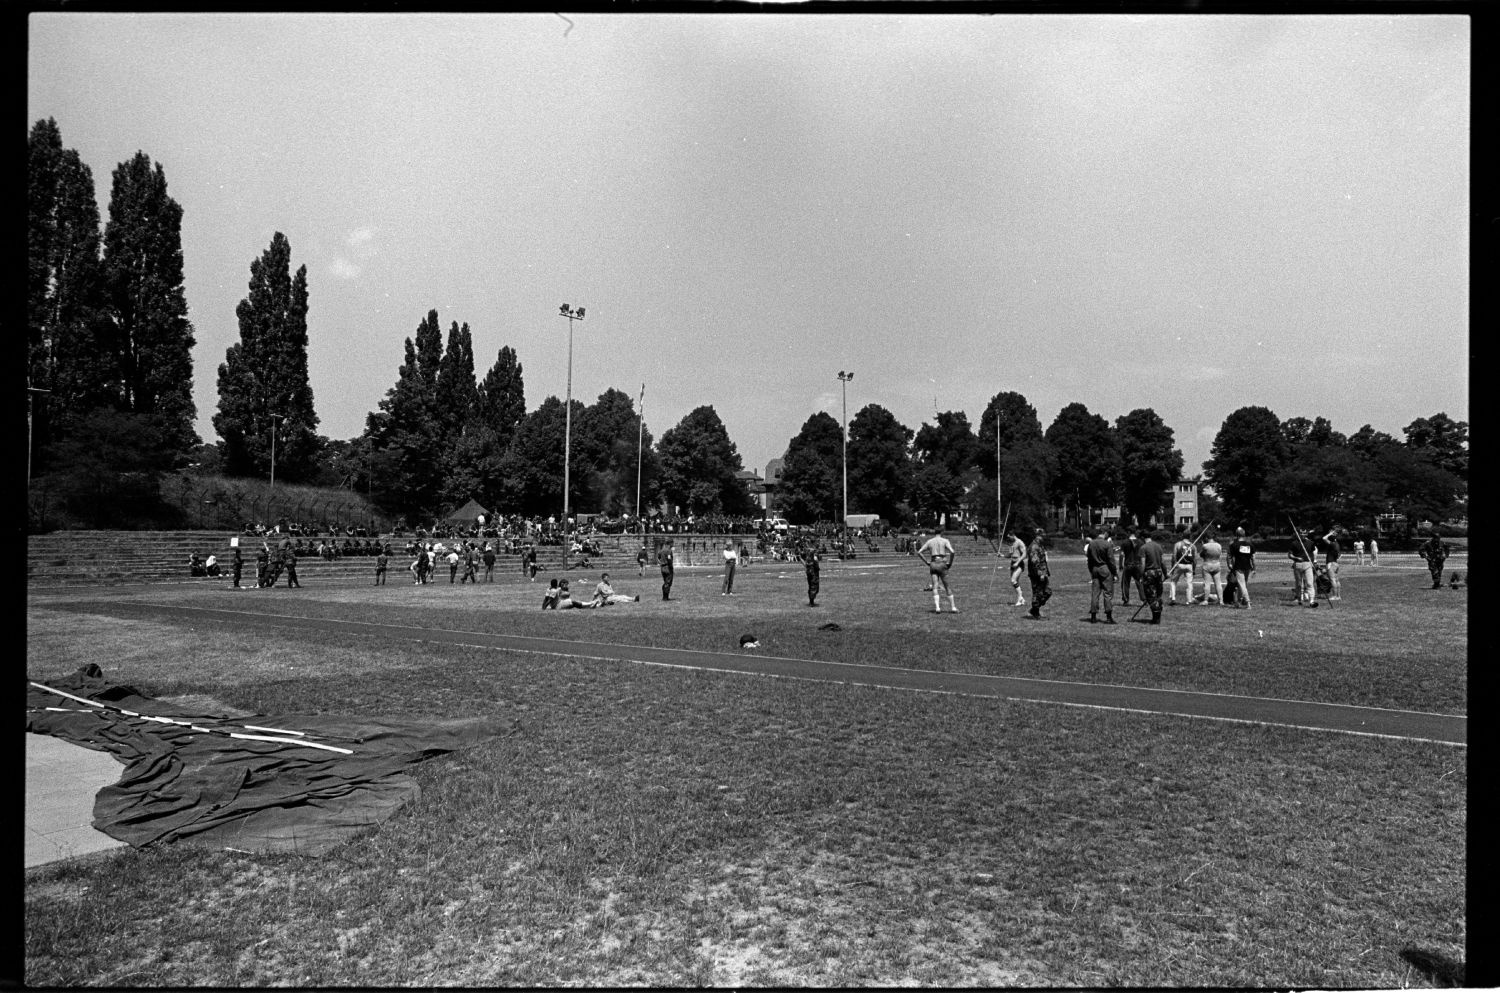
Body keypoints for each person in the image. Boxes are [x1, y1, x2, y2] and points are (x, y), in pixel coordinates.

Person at [917, 525, 957, 613]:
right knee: (947, 586)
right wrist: (950, 562)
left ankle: (937, 608)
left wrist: (926, 562)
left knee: (935, 586)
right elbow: (952, 551)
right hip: (942, 563)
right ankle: (953, 608)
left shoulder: (930, 541)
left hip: (933, 564)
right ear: (942, 532)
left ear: (934, 532)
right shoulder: (945, 541)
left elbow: (919, 552)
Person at [1084, 525, 1117, 623]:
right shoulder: (1107, 544)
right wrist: (1114, 573)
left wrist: (1091, 570)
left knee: (1095, 593)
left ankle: (1093, 616)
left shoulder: (1091, 543)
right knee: (1107, 593)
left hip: (1094, 568)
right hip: (1104, 568)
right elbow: (1111, 560)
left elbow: (1089, 559)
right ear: (1106, 533)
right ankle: (1108, 617)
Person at [1138, 530, 1166, 624]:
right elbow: (1162, 562)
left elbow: (1143, 564)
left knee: (1150, 596)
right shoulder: (1158, 546)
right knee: (1158, 595)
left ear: (1142, 538)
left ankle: (1156, 618)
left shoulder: (1143, 548)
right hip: (1158, 572)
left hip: (1149, 573)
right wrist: (1165, 574)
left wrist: (1141, 575)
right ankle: (1158, 616)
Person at [1025, 528, 1052, 620]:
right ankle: (1036, 612)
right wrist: (1041, 573)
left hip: (1043, 573)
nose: (1044, 536)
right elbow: (1034, 562)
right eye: (1043, 535)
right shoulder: (1034, 546)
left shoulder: (1040, 545)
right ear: (1038, 535)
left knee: (1048, 592)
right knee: (1038, 593)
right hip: (1036, 574)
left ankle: (1034, 609)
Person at [1228, 527, 1256, 609]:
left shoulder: (1234, 545)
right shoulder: (1250, 545)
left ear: (1236, 535)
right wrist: (1254, 569)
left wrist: (1230, 565)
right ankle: (1238, 601)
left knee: (1242, 585)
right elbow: (1253, 558)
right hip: (1248, 567)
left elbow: (1229, 556)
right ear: (1244, 534)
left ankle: (1248, 602)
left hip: (1238, 567)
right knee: (1243, 585)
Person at [1168, 530, 1196, 606]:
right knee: (1189, 583)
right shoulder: (1193, 546)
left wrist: (1172, 566)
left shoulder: (1178, 544)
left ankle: (1173, 598)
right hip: (1189, 565)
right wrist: (1194, 569)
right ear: (1190, 536)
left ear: (1182, 535)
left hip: (1179, 564)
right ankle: (1189, 600)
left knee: (1173, 582)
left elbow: (1174, 556)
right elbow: (1195, 559)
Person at [1289, 530, 1316, 606]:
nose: (1302, 535)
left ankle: (1312, 601)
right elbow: (1289, 555)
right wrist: (1297, 558)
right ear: (1298, 534)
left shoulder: (1310, 543)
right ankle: (1299, 599)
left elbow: (1313, 554)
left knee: (1310, 583)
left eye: (1304, 533)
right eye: (1301, 533)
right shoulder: (1294, 543)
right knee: (1299, 584)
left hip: (1308, 564)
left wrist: (1313, 563)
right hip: (1298, 564)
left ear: (1307, 534)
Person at [1199, 530, 1225, 605]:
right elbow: (1220, 554)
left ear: (1207, 538)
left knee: (1207, 583)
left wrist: (1203, 545)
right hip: (1216, 564)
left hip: (1207, 564)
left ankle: (1206, 600)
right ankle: (1221, 601)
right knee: (1218, 583)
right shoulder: (1219, 545)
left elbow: (1201, 555)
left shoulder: (1205, 546)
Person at [1119, 530, 1144, 606]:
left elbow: (1122, 554)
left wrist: (1120, 564)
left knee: (1125, 583)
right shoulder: (1140, 542)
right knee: (1140, 582)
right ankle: (1144, 599)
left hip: (1128, 564)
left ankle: (1126, 600)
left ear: (1128, 532)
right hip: (1138, 564)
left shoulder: (1124, 542)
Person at [1005, 529, 1028, 607]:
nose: (1009, 538)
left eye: (1009, 537)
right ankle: (1022, 599)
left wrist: (1018, 562)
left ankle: (1020, 599)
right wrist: (1001, 555)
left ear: (1013, 535)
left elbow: (1024, 554)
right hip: (1012, 563)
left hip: (1019, 564)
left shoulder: (1019, 542)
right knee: (1015, 582)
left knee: (1013, 580)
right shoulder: (1012, 543)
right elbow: (1010, 554)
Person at [1320, 529, 1342, 600]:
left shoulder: (1332, 544)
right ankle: (1338, 596)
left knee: (1332, 580)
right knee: (1337, 580)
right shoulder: (1337, 544)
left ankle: (1334, 596)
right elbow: (1339, 556)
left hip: (1331, 563)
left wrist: (1330, 533)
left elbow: (1324, 538)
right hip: (1336, 564)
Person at [801, 542, 821, 607]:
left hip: (809, 573)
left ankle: (811, 601)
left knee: (811, 587)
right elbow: (816, 567)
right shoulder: (813, 558)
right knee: (814, 588)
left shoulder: (808, 558)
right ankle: (811, 602)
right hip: (813, 574)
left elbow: (805, 564)